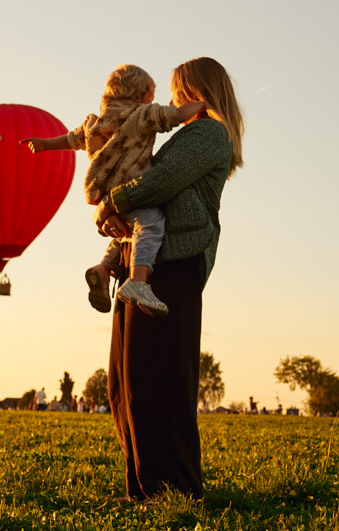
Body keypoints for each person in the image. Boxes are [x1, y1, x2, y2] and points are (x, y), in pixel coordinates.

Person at [94, 56, 244, 502]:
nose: (171, 98)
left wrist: (109, 202)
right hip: (142, 259)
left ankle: (172, 490)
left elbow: (163, 181)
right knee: (124, 380)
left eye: (177, 87)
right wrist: (114, 214)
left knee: (157, 375)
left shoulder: (208, 132)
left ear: (194, 89)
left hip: (174, 260)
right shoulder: (189, 134)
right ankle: (140, 486)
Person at [21, 64, 204, 317]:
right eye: (151, 94)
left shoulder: (96, 122)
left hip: (106, 192)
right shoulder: (142, 114)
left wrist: (44, 144)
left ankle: (103, 269)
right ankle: (138, 282)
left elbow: (73, 139)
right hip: (132, 189)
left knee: (126, 234)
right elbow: (174, 115)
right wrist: (203, 104)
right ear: (142, 95)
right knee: (152, 224)